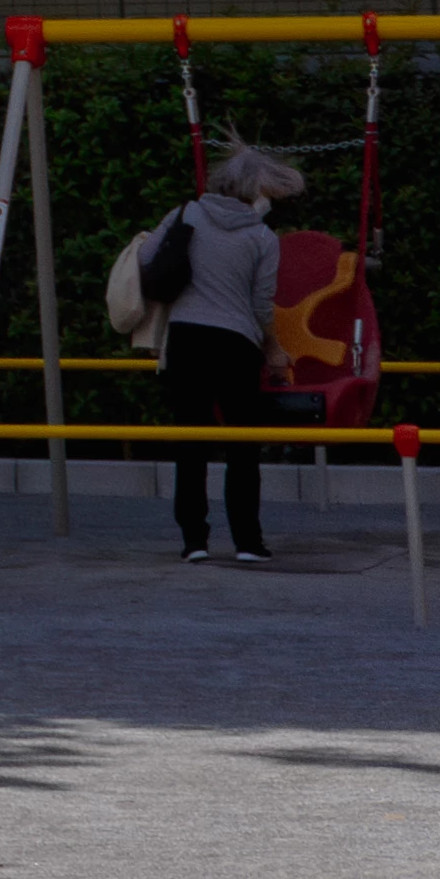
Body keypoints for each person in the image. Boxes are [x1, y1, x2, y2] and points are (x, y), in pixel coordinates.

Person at [144, 144, 302, 565]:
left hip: (186, 338)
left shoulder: (184, 215)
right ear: (257, 192)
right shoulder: (261, 237)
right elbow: (261, 303)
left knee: (190, 441)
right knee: (242, 445)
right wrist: (272, 346)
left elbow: (146, 260)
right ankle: (248, 542)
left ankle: (194, 540)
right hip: (237, 343)